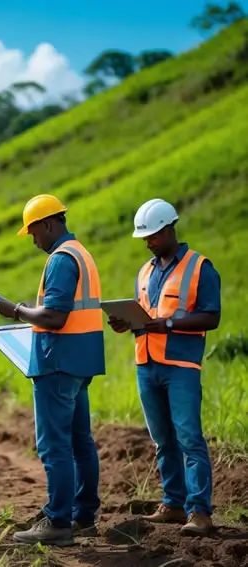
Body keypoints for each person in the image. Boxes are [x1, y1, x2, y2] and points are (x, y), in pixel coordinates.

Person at [0, 194, 104, 546]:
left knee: (54, 446)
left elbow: (54, 316)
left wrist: (16, 310)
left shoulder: (62, 260)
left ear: (49, 224)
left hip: (57, 363)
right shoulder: (81, 253)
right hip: (79, 362)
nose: (33, 239)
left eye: (34, 232)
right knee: (81, 442)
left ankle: (57, 521)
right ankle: (82, 515)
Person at [106, 198, 220, 536]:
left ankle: (199, 511)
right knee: (162, 439)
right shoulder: (145, 270)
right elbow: (144, 314)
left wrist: (167, 324)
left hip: (181, 365)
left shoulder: (200, 267)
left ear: (170, 229)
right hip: (147, 363)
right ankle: (173, 504)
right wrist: (126, 323)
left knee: (189, 438)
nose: (148, 242)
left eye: (153, 236)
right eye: (145, 238)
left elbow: (212, 316)